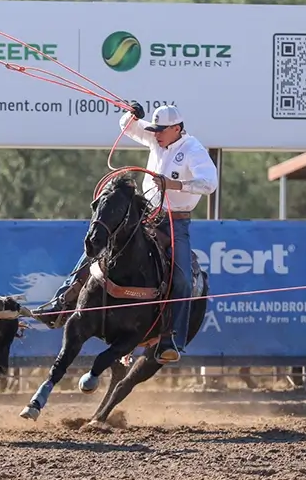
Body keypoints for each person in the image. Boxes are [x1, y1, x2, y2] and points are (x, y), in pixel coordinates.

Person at [30, 101, 218, 364]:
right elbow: (127, 126)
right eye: (154, 129)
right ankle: (62, 301)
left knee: (183, 278)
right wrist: (131, 114)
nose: (155, 134)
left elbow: (209, 183)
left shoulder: (193, 149)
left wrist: (173, 184)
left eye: (161, 130)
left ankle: (170, 337)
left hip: (175, 223)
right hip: (145, 214)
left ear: (176, 128)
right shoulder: (156, 139)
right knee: (101, 245)